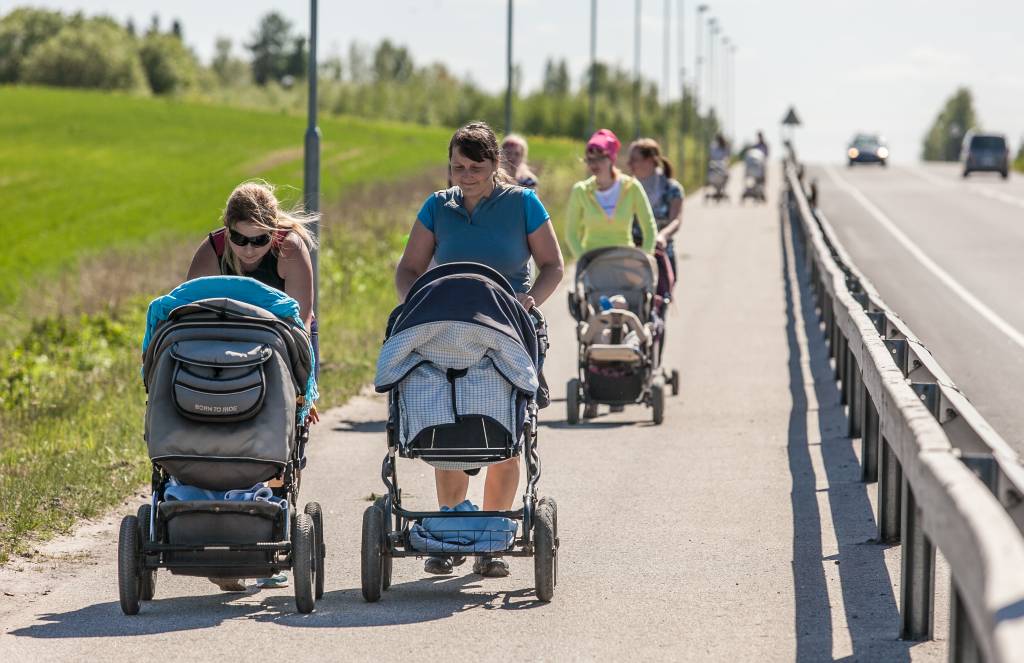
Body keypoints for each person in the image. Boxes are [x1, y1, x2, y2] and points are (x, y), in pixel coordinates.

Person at [395, 121, 564, 578]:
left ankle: (490, 537)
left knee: (504, 429)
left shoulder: (523, 204)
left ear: (496, 166)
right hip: (449, 328)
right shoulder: (438, 207)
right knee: (447, 423)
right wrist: (417, 302)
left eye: (474, 167)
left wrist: (530, 301)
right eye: (456, 167)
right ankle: (450, 532)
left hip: (508, 328)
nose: (464, 175)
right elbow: (409, 269)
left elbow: (552, 266)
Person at [185, 180, 320, 592]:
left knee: (278, 434)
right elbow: (187, 315)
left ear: (273, 231)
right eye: (240, 239)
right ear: (227, 231)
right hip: (219, 352)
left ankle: (268, 529)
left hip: (280, 346)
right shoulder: (211, 250)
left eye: (258, 240)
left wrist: (303, 389)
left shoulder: (289, 249)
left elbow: (302, 321)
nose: (247, 249)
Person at [564, 129, 658, 260]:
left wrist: (643, 259)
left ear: (612, 158)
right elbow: (571, 234)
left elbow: (649, 228)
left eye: (600, 158)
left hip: (625, 261)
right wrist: (583, 260)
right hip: (593, 264)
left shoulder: (631, 187)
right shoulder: (581, 191)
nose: (594, 163)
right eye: (590, 159)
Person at [627, 138, 684, 276]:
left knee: (663, 295)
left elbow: (675, 220)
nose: (629, 164)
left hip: (661, 252)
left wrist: (662, 236)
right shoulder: (627, 189)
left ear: (650, 160)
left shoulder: (672, 188)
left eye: (634, 159)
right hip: (632, 254)